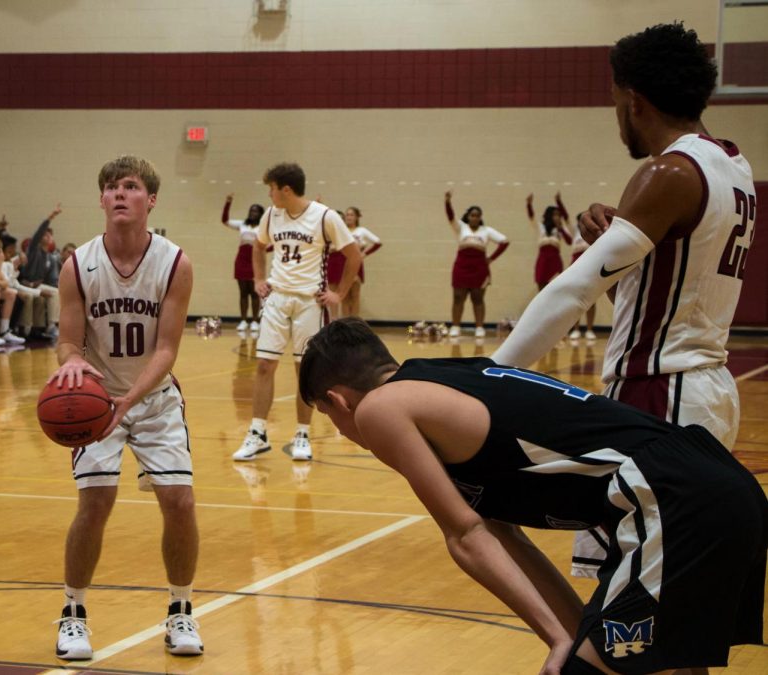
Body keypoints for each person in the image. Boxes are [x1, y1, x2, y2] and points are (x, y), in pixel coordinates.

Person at [300, 318, 767, 675]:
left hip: (673, 499)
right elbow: (505, 541)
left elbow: (464, 535)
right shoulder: (442, 380)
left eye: (329, 417)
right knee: (662, 663)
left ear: (339, 400)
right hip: (713, 485)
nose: (344, 431)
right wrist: (567, 635)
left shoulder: (382, 407)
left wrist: (561, 643)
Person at [492, 22, 757, 579]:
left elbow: (573, 288)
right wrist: (618, 243)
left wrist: (489, 374)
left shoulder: (668, 172)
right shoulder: (733, 166)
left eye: (614, 101)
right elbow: (668, 291)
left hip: (661, 395)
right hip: (697, 389)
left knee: (634, 606)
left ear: (633, 101)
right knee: (661, 602)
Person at [47, 155, 202, 660]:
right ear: (101, 199)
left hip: (153, 400)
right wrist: (70, 366)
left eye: (130, 186)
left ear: (150, 200)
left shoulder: (175, 263)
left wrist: (129, 400)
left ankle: (181, 610)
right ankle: (73, 615)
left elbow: (167, 350)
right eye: (110, 187)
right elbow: (68, 341)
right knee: (96, 503)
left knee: (179, 501)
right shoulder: (78, 264)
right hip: (96, 401)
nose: (118, 194)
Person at [232, 162, 360, 462]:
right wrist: (259, 279)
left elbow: (354, 254)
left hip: (309, 302)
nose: (270, 194)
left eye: (272, 189)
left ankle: (303, 434)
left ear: (285, 189)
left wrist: (338, 293)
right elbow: (258, 247)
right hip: (277, 299)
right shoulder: (271, 214)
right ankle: (257, 432)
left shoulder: (324, 217)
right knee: (264, 364)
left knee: (304, 370)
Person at [444, 193, 509, 337]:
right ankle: (455, 326)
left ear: (480, 217)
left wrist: (491, 258)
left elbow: (504, 242)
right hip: (461, 267)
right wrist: (447, 202)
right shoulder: (461, 227)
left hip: (479, 269)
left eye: (477, 215)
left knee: (478, 298)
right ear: (468, 216)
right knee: (458, 297)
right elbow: (450, 217)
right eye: (472, 215)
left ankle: (479, 327)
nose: (475, 218)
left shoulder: (487, 230)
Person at [327, 206, 381, 319]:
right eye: (347, 215)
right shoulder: (342, 230)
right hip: (342, 264)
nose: (349, 217)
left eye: (351, 215)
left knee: (355, 295)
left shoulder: (361, 231)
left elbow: (377, 242)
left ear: (357, 217)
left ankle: (355, 322)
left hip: (355, 264)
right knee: (344, 295)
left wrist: (363, 255)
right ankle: (346, 322)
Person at [221, 194, 265, 332]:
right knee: (243, 292)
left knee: (254, 292)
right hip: (241, 260)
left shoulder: (263, 227)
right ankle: (243, 321)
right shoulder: (242, 224)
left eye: (256, 211)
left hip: (255, 261)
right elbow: (225, 220)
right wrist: (228, 202)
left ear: (260, 214)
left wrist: (262, 252)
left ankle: (255, 322)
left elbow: (271, 245)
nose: (253, 213)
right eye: (251, 210)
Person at [19, 203, 62, 339]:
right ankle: (51, 326)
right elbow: (37, 234)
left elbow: (52, 280)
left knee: (52, 293)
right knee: (54, 293)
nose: (48, 237)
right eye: (45, 234)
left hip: (38, 285)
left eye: (50, 235)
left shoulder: (51, 257)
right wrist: (51, 216)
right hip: (25, 283)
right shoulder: (33, 251)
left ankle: (38, 329)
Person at [526, 192, 572, 291]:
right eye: (555, 214)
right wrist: (529, 204)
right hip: (542, 260)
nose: (557, 217)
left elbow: (569, 241)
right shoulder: (541, 227)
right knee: (541, 288)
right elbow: (532, 218)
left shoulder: (561, 228)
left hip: (555, 259)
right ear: (549, 215)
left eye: (559, 215)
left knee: (556, 290)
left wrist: (561, 229)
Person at [568, 213, 597, 341]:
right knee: (575, 299)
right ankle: (576, 329)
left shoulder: (593, 233)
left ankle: (590, 329)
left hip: (590, 263)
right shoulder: (575, 231)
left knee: (591, 298)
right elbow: (564, 216)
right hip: (575, 265)